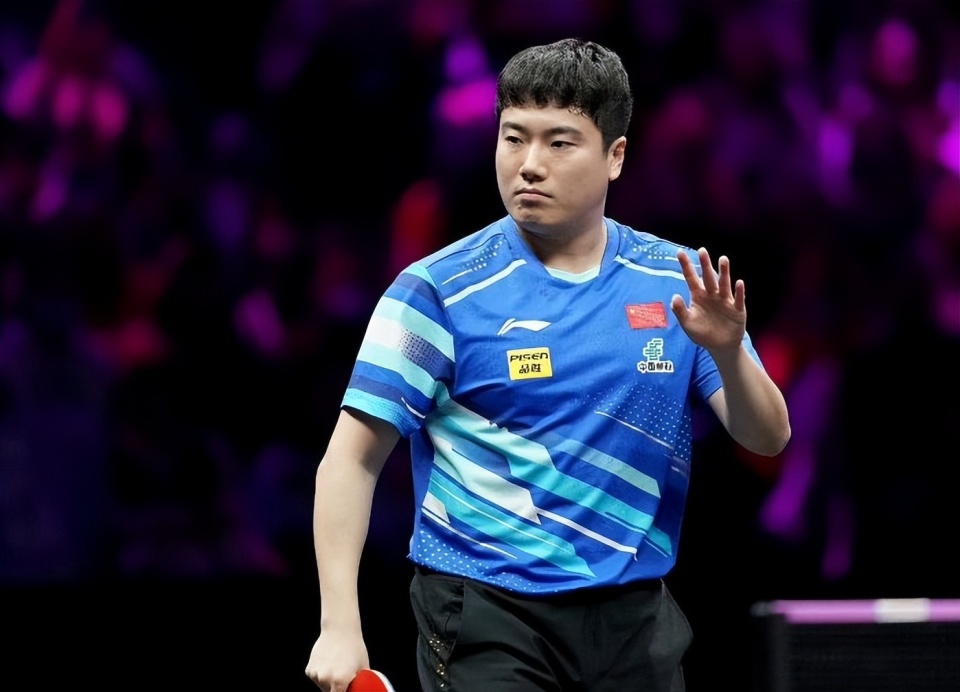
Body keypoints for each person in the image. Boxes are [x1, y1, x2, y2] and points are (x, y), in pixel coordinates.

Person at [304, 38, 791, 692]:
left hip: (635, 621)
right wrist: (339, 625)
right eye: (513, 138)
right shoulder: (436, 292)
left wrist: (729, 352)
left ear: (615, 156)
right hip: (487, 610)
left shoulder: (675, 282)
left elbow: (767, 437)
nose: (529, 165)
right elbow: (350, 461)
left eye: (559, 143)